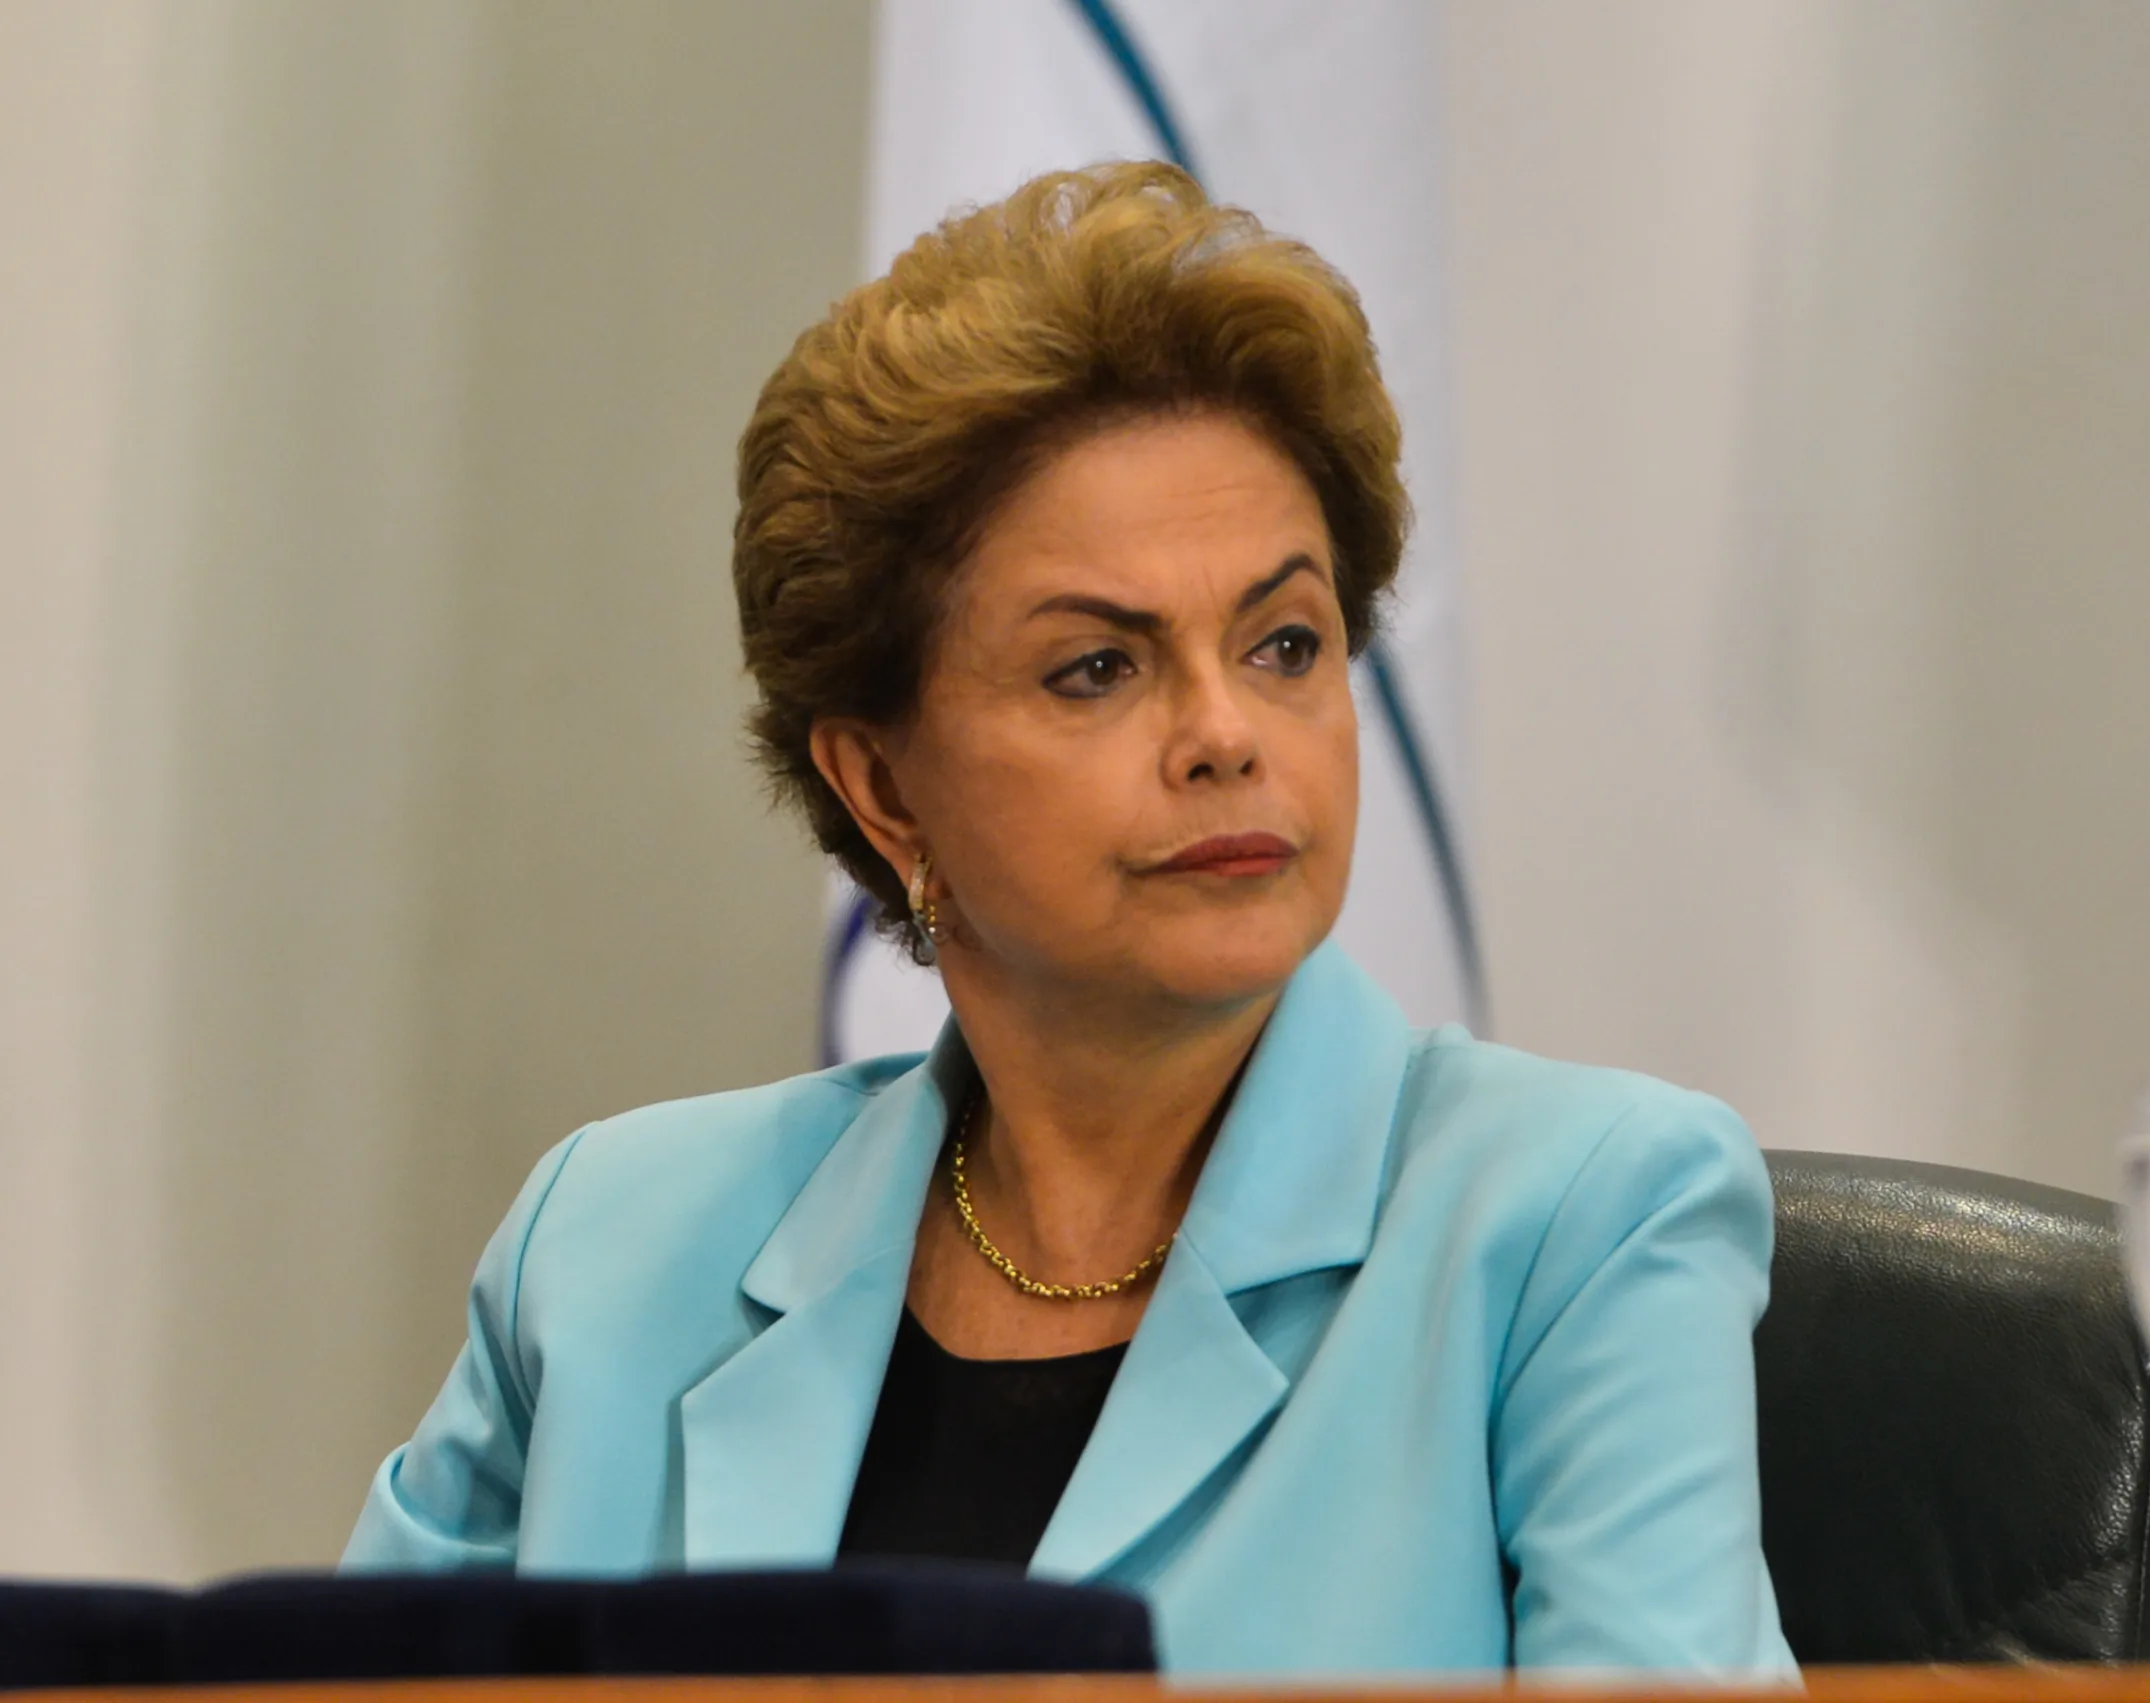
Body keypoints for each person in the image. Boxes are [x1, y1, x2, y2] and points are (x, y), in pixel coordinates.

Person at [342, 161, 1795, 1679]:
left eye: (1285, 641)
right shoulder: (610, 1252)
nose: (1227, 732)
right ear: (885, 787)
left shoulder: (1576, 1222)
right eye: (1099, 667)